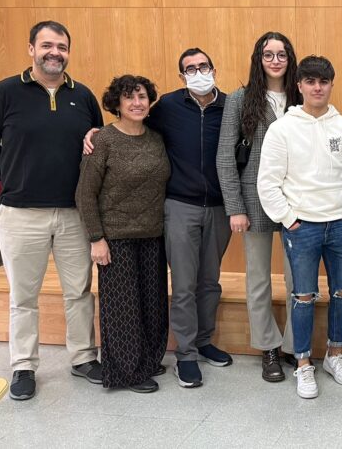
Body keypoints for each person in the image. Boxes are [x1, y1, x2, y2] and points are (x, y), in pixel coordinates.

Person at [88, 48, 234, 387]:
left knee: (210, 282)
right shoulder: (168, 106)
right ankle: (186, 354)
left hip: (219, 208)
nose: (198, 72)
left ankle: (204, 340)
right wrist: (95, 132)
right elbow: (129, 125)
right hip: (180, 206)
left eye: (203, 66)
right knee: (184, 285)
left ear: (214, 69)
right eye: (190, 69)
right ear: (182, 77)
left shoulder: (230, 107)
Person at [0, 20, 104, 400]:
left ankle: (83, 357)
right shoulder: (6, 92)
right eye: (47, 45)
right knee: (23, 296)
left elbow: (96, 145)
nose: (54, 53)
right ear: (31, 48)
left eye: (61, 46)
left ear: (68, 52)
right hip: (20, 214)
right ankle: (23, 366)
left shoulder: (83, 95)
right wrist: (15, 179)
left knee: (78, 291)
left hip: (73, 213)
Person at [257, 55, 342, 399]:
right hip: (301, 227)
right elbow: (268, 183)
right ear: (300, 85)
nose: (318, 88)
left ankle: (335, 354)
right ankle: (303, 363)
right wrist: (289, 220)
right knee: (303, 296)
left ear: (331, 85)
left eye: (324, 82)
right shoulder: (282, 129)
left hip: (339, 225)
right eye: (311, 82)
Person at [75, 75, 170, 393]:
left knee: (153, 305)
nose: (137, 103)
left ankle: (147, 360)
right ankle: (127, 371)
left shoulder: (156, 138)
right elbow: (84, 194)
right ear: (117, 103)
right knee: (123, 310)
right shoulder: (102, 140)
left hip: (153, 235)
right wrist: (96, 238)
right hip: (115, 238)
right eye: (129, 97)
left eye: (142, 96)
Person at [216, 32, 301, 382]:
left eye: (282, 54)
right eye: (268, 54)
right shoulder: (240, 99)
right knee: (258, 279)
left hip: (298, 202)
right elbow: (225, 156)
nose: (275, 60)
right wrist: (235, 207)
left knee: (299, 279)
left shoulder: (302, 95)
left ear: (290, 59)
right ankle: (268, 346)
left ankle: (295, 346)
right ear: (258, 59)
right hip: (254, 202)